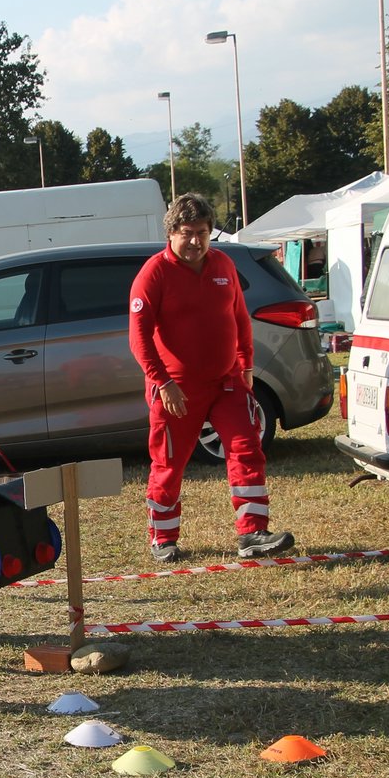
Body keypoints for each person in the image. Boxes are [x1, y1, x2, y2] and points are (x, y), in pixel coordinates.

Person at [129, 193, 294, 563]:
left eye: (202, 232)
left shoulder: (222, 264)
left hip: (227, 381)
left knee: (247, 449)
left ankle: (253, 532)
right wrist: (162, 382)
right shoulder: (154, 273)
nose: (195, 241)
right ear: (171, 233)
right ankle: (163, 537)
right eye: (187, 233)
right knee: (169, 464)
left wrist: (246, 364)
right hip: (176, 389)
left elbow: (239, 317)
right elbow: (138, 337)